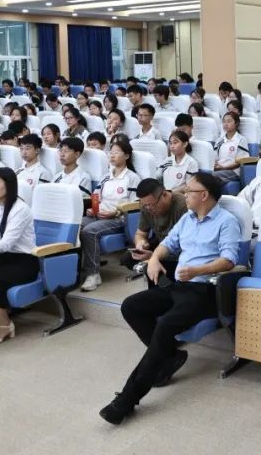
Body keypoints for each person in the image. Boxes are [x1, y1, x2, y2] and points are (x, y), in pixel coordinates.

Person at [100, 173, 240, 425]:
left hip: (205, 290)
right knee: (131, 306)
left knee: (164, 326)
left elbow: (229, 260)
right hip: (179, 286)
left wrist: (198, 270)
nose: (184, 194)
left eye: (189, 191)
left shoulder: (226, 221)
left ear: (204, 195)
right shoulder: (187, 219)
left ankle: (127, 399)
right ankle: (169, 357)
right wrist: (154, 258)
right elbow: (168, 244)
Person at [0, 168, 39, 347]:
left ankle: (4, 324)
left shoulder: (21, 209)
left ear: (9, 185)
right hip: (0, 258)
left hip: (22, 262)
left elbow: (6, 244)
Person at [80, 138, 141, 292]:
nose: (112, 155)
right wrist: (92, 209)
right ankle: (76, 269)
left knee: (89, 231)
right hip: (99, 215)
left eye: (116, 152)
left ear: (127, 156)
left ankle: (93, 274)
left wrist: (116, 212)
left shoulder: (132, 178)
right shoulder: (106, 176)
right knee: (76, 226)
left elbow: (136, 204)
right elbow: (96, 197)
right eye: (111, 152)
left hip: (119, 218)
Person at [126, 178, 186, 277]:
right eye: (145, 205)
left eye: (152, 205)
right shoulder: (146, 206)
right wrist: (141, 243)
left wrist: (154, 256)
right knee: (129, 258)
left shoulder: (182, 206)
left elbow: (184, 245)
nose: (148, 208)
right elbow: (140, 233)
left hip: (178, 248)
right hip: (161, 244)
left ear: (164, 195)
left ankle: (166, 278)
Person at [211, 112, 249, 185]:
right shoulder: (219, 140)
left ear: (236, 123)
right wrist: (215, 165)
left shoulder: (241, 139)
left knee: (212, 177)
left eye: (229, 121)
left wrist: (224, 167)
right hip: (219, 170)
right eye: (224, 121)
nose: (226, 124)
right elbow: (214, 158)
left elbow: (241, 160)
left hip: (234, 171)